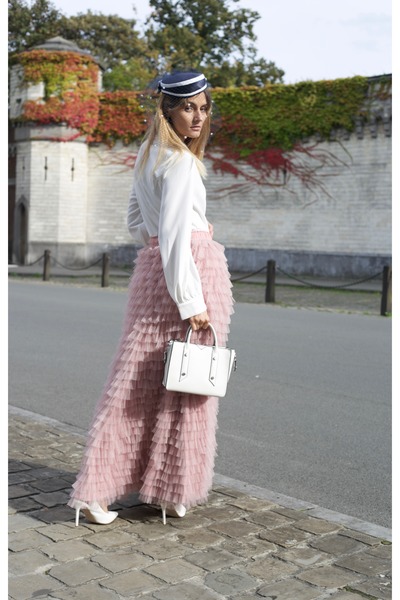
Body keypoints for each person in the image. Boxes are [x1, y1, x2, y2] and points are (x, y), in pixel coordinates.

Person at [68, 71, 234, 526]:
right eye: (188, 108)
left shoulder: (148, 154)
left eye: (204, 108)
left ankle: (131, 489)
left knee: (140, 379)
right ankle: (162, 489)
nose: (198, 117)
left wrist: (165, 239)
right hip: (190, 275)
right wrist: (191, 299)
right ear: (167, 110)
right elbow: (177, 234)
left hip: (156, 272)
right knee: (187, 385)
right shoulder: (179, 161)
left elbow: (135, 220)